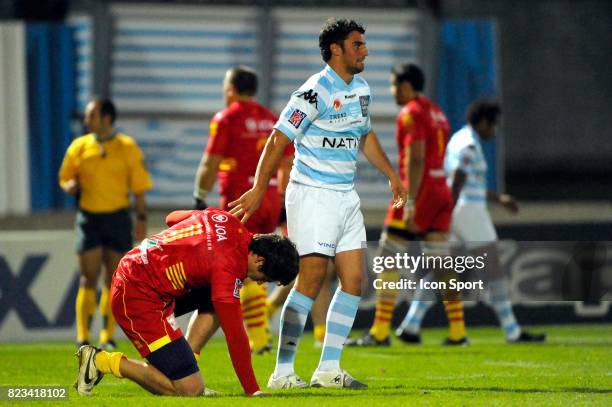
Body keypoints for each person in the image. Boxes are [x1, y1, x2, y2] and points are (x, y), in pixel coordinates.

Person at [228, 18, 406, 389]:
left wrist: (391, 174)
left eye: (364, 44)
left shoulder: (360, 89)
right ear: (336, 50)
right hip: (312, 194)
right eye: (357, 45)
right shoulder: (313, 91)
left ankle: (328, 368)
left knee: (354, 281)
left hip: (345, 195)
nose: (365, 51)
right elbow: (278, 139)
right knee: (310, 279)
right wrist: (260, 188)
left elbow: (365, 134)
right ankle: (282, 372)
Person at [74, 208, 299, 397]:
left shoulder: (227, 220)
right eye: (265, 279)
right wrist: (252, 390)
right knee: (190, 389)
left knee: (222, 297)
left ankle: (187, 361)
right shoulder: (228, 267)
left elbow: (172, 218)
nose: (260, 284)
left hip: (140, 271)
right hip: (137, 297)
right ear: (259, 259)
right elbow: (236, 336)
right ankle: (100, 360)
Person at [396, 99, 546, 343]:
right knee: (494, 269)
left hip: (458, 212)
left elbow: (469, 182)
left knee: (441, 271)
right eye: (493, 125)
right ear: (484, 122)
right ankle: (512, 331)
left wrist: (498, 199)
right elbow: (458, 180)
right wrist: (446, 212)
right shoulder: (469, 146)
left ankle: (410, 325)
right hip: (470, 213)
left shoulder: (459, 138)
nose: (494, 131)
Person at [347, 63, 468, 347]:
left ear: (404, 85)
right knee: (442, 263)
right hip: (441, 190)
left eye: (393, 85)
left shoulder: (411, 113)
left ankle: (378, 332)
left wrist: (411, 201)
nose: (392, 92)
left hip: (420, 190)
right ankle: (459, 332)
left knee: (389, 258)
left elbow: (416, 158)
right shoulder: (437, 112)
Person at [192, 66, 293, 354]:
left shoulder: (227, 119)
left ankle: (259, 337)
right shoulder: (270, 119)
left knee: (241, 265)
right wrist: (281, 199)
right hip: (269, 198)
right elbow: (286, 163)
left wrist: (199, 197)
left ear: (232, 89)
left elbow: (210, 163)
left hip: (239, 199)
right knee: (258, 262)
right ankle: (261, 335)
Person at [59, 98, 152, 350]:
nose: (86, 120)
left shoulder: (127, 147)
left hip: (118, 218)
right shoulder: (79, 146)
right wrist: (68, 185)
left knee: (113, 280)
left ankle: (106, 337)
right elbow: (65, 176)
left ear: (106, 119)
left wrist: (141, 219)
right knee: (88, 276)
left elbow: (139, 189)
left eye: (91, 115)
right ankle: (82, 337)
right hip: (89, 218)